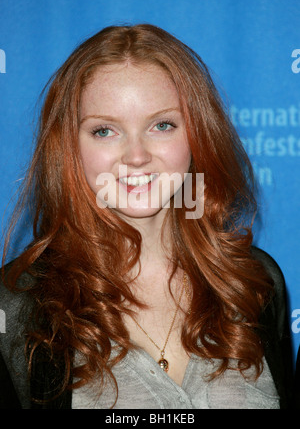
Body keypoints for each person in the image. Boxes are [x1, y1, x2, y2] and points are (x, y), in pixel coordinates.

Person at [0, 24, 293, 409]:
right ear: (69, 147)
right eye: (105, 131)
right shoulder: (19, 305)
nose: (136, 156)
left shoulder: (254, 282)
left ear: (198, 136)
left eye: (162, 125)